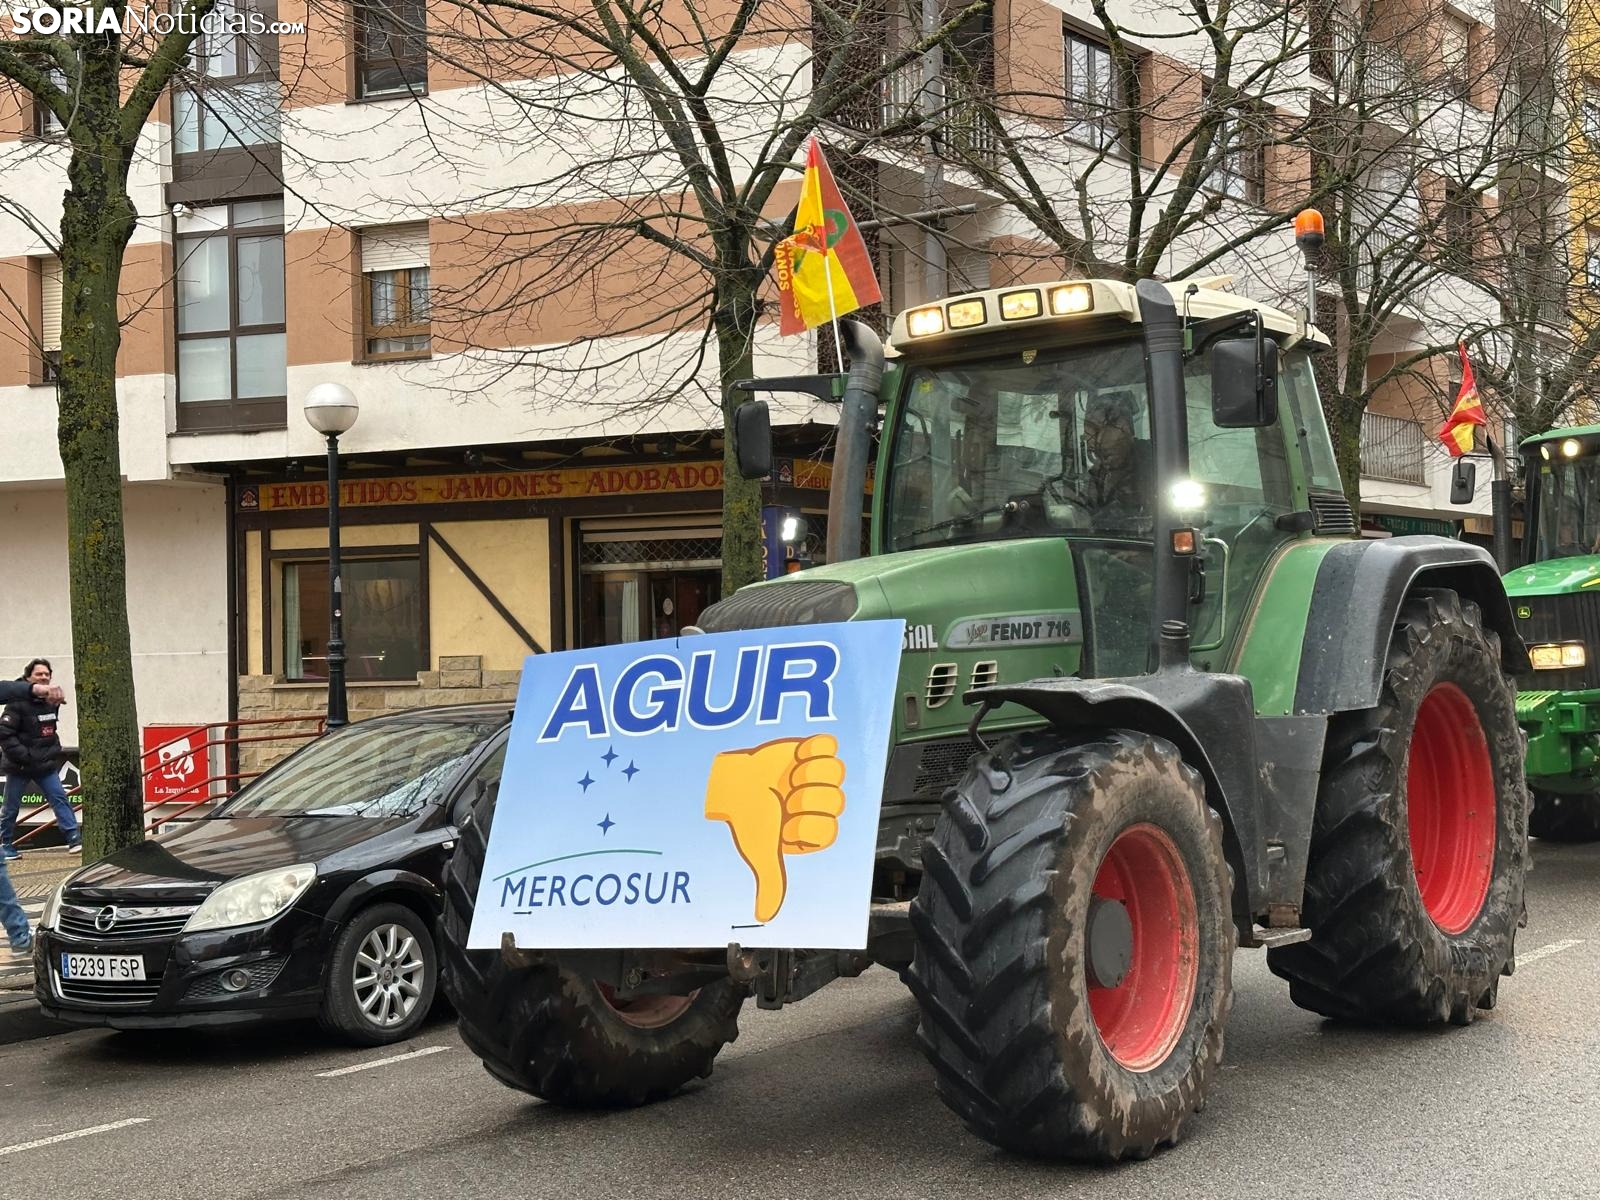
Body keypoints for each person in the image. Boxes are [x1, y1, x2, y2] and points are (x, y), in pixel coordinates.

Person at [0, 670, 65, 962]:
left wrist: (34, 691)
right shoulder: (16, 708)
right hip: (21, 766)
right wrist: (33, 690)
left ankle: (20, 938)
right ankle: (19, 938)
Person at [0, 659, 80, 862]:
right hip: (20, 766)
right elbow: (5, 734)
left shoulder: (51, 701)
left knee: (60, 799)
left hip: (45, 765)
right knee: (11, 807)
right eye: (39, 674)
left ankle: (74, 838)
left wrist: (52, 751)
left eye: (46, 674)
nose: (44, 677)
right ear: (28, 678)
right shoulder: (15, 702)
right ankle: (5, 845)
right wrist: (24, 756)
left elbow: (49, 730)